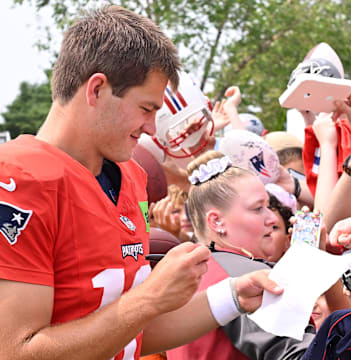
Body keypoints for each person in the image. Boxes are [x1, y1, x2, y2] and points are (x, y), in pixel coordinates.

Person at [0, 5, 284, 360]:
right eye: (147, 109)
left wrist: (232, 297)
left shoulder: (130, 176)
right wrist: (148, 299)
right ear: (97, 90)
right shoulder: (17, 179)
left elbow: (129, 336)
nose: (152, 128)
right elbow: (14, 351)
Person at [167, 150, 315, 360]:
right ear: (216, 221)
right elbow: (303, 355)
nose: (272, 218)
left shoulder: (183, 270)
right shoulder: (246, 276)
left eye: (269, 206)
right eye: (258, 209)